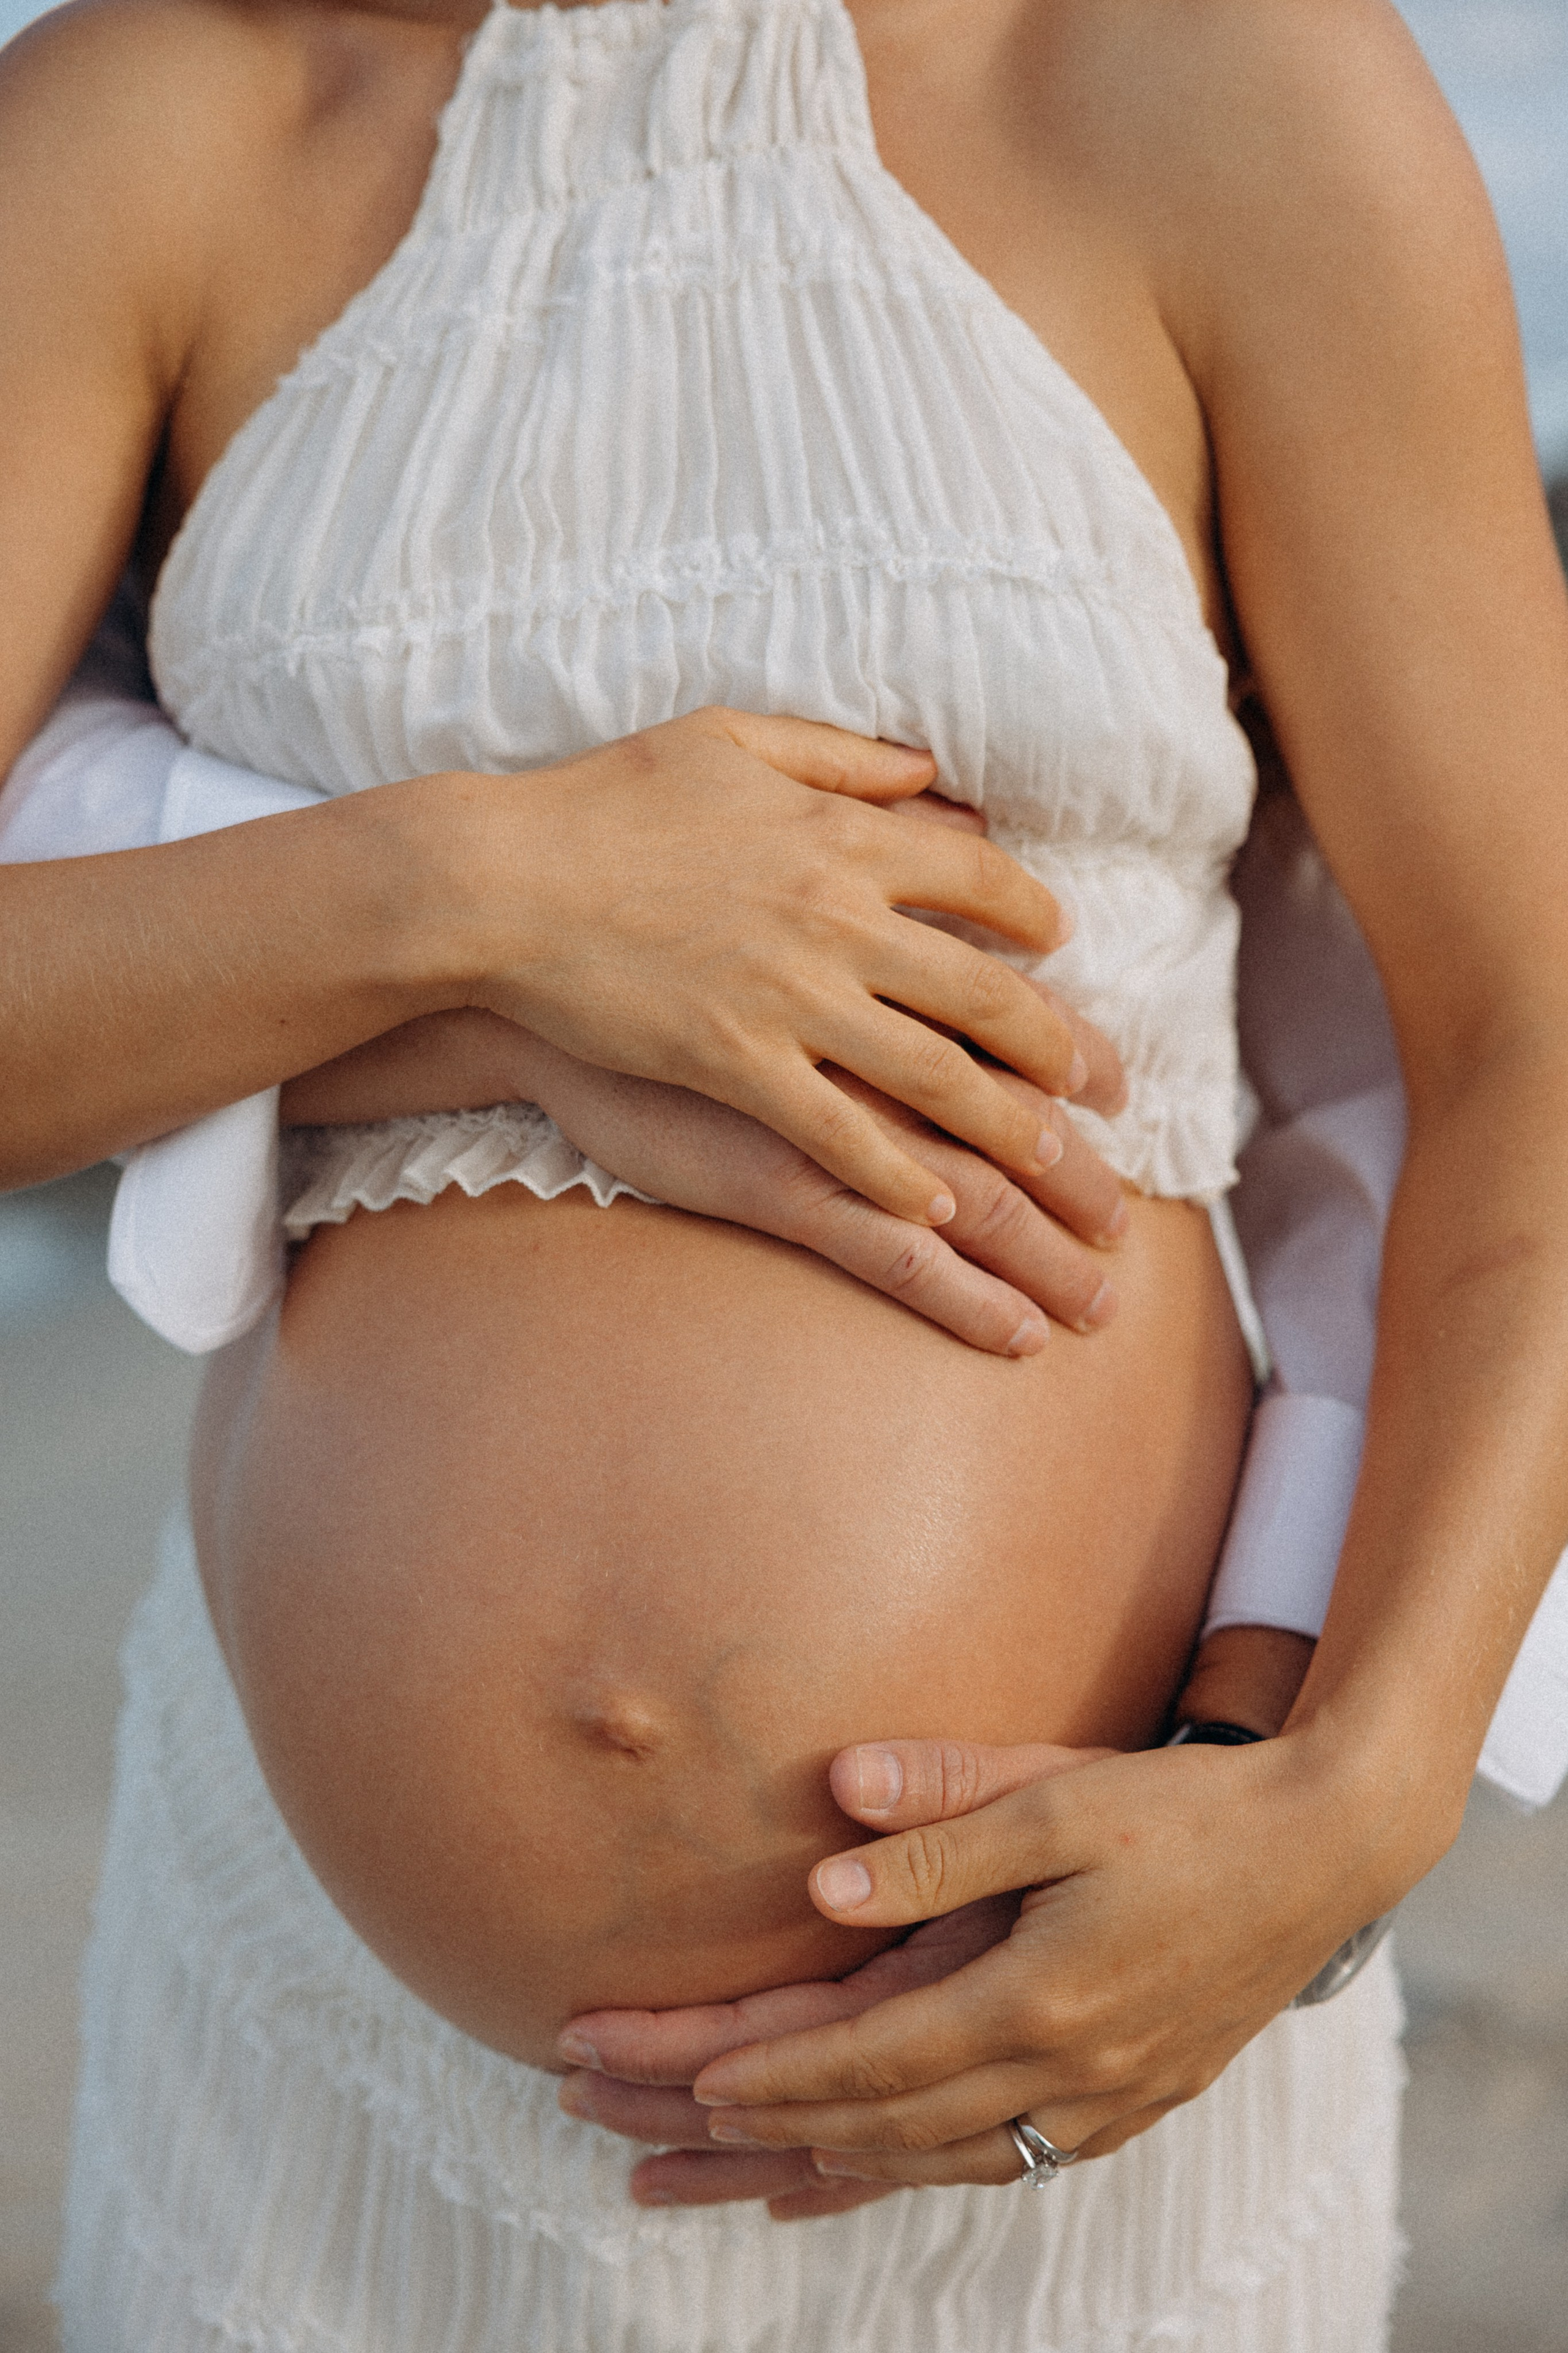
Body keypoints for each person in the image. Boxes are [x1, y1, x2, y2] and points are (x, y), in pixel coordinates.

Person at [4, 0, 1568, 2345]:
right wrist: (488, 903)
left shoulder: (1217, 81)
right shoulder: (157, 111)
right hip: (315, 2085)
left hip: (1098, 2021)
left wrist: (1349, 1806)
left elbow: (1527, 1035)